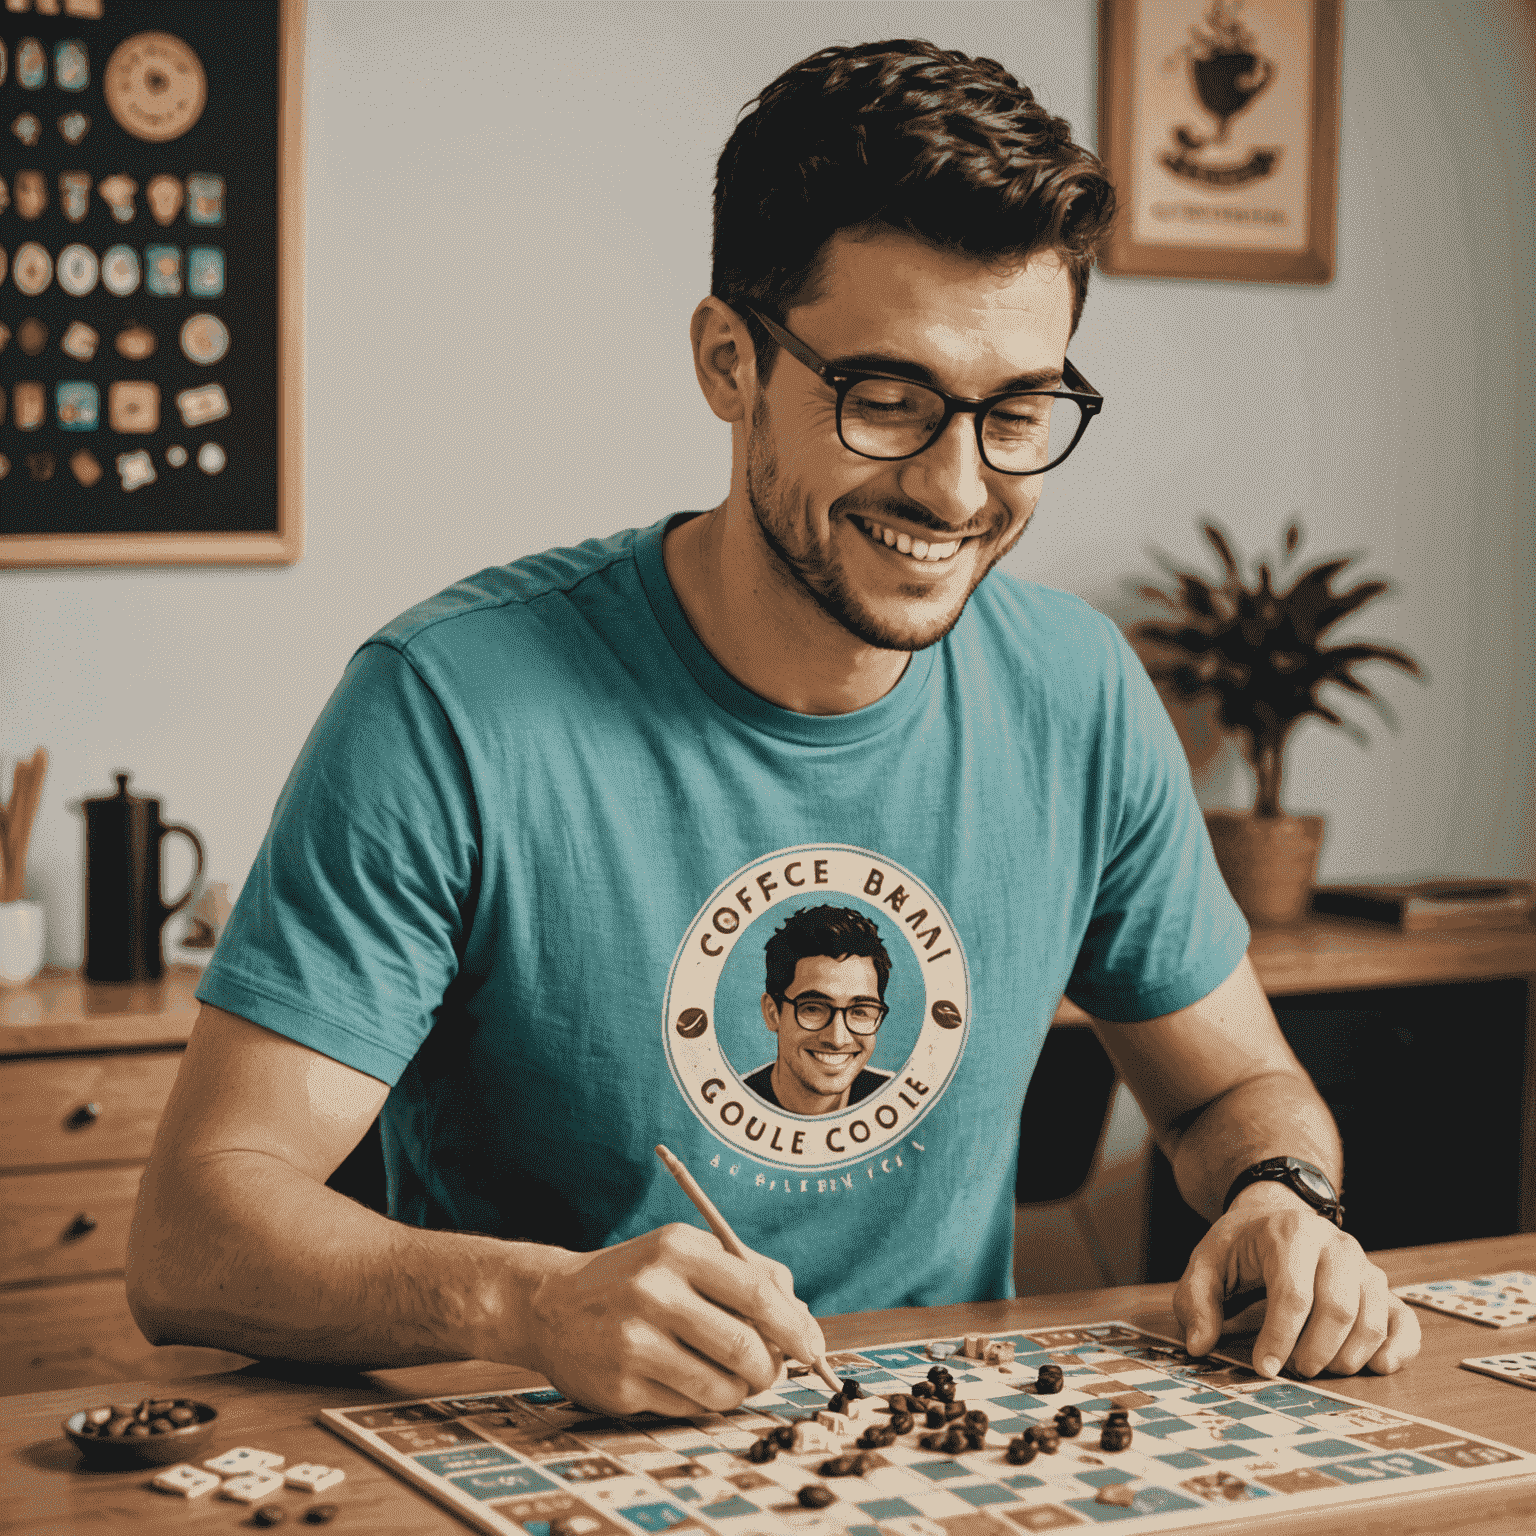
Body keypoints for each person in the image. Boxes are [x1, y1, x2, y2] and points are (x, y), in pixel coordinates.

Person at [127, 38, 1420, 1420]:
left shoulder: (1079, 692)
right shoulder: (446, 704)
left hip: (936, 1461)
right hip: (545, 1456)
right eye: (887, 401)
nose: (956, 485)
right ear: (728, 361)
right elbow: (196, 1235)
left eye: (1019, 411)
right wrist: (528, 1303)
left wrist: (1286, 1198)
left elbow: (1236, 1092)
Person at [746, 905, 895, 1113]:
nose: (837, 1039)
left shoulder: (900, 1102)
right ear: (772, 1013)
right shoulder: (729, 1106)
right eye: (813, 1009)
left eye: (860, 1011)